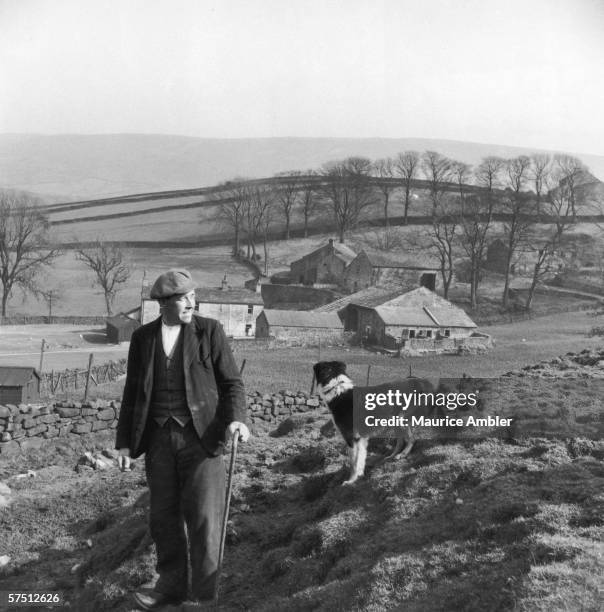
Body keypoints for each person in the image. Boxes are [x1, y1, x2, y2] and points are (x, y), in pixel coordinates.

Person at [115, 268, 249, 610]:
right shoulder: (143, 338)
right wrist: (125, 443)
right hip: (158, 440)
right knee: (163, 516)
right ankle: (170, 585)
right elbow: (132, 392)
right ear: (163, 304)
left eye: (192, 296)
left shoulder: (209, 331)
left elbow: (231, 383)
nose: (191, 303)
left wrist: (236, 420)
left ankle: (205, 596)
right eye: (182, 298)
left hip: (203, 440)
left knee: (205, 518)